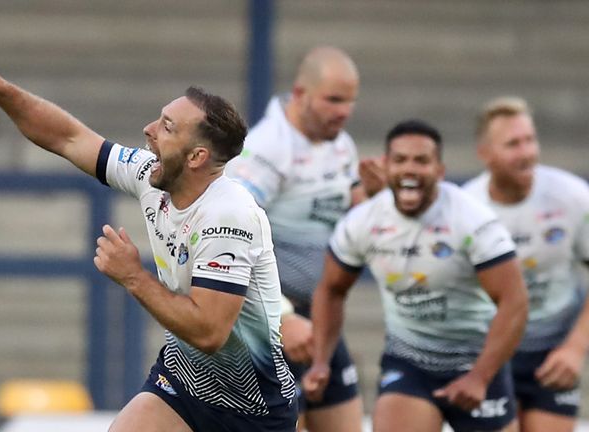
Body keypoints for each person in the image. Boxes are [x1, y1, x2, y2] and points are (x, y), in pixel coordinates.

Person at [0, 21, 297, 432]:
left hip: (251, 410)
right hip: (181, 385)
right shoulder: (150, 174)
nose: (149, 131)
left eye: (167, 127)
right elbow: (67, 138)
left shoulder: (229, 215)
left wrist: (134, 276)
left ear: (196, 157)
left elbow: (209, 332)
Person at [303, 119, 529, 432]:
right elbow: (331, 290)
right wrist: (321, 361)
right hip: (410, 362)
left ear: (440, 170)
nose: (410, 169)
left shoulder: (473, 220)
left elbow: (514, 301)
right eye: (400, 160)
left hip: (475, 363)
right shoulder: (363, 222)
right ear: (386, 166)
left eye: (421, 160)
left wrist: (481, 376)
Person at [225, 46, 377, 432]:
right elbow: (228, 236)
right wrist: (282, 318)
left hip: (319, 317)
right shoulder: (266, 150)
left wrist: (380, 198)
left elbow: (356, 214)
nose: (343, 111)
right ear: (300, 94)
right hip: (267, 319)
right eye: (333, 100)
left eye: (351, 101)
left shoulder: (338, 144)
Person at [464, 96, 589, 432]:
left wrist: (575, 349)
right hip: (488, 354)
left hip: (551, 354)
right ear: (485, 154)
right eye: (512, 144)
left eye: (530, 140)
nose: (526, 152)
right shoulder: (467, 209)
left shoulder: (573, 198)